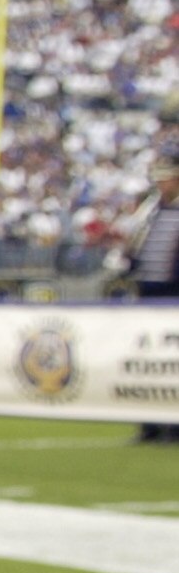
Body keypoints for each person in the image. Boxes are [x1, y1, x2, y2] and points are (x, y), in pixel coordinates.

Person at [117, 143, 179, 441]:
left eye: (165, 177)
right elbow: (137, 246)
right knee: (146, 361)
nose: (160, 182)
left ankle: (173, 424)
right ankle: (150, 424)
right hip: (148, 295)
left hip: (173, 297)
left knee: (172, 363)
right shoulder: (153, 211)